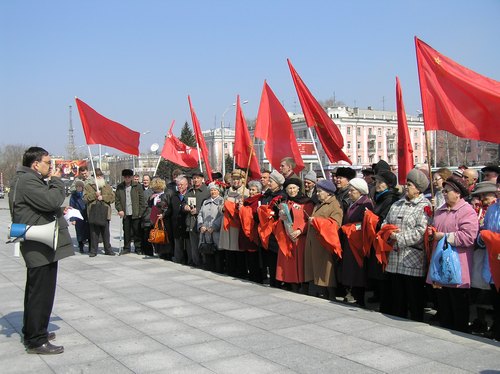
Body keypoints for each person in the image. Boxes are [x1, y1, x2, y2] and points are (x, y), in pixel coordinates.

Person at [9, 146, 74, 354]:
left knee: (37, 291)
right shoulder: (28, 180)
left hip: (40, 243)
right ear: (35, 164)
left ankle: (35, 330)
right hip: (39, 245)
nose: (51, 167)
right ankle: (36, 340)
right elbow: (50, 200)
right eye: (48, 162)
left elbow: (42, 205)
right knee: (40, 293)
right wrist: (56, 182)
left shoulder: (26, 179)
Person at [427, 176, 479, 333]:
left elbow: (469, 237)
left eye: (447, 191)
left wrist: (443, 236)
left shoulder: (467, 211)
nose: (444, 193)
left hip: (458, 266)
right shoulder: (441, 211)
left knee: (459, 307)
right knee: (444, 305)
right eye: (443, 190)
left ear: (457, 193)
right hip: (440, 265)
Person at [383, 169, 432, 322]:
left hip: (412, 259)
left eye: (409, 185)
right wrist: (387, 232)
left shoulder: (424, 206)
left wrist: (398, 237)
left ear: (418, 189)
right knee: (397, 298)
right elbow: (386, 222)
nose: (406, 187)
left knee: (414, 297)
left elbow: (420, 231)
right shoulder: (397, 203)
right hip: (395, 258)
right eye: (406, 184)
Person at [366, 170, 400, 311]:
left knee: (384, 276)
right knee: (379, 276)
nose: (377, 184)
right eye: (376, 182)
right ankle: (382, 301)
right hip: (377, 241)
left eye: (380, 182)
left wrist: (371, 219)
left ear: (389, 185)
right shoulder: (381, 197)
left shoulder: (390, 199)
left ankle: (387, 305)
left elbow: (385, 220)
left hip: (385, 243)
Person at [303, 179, 343, 299]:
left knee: (326, 271)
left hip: (325, 244)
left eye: (320, 191)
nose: (317, 194)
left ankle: (330, 295)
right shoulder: (319, 203)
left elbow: (335, 224)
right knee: (318, 270)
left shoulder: (335, 205)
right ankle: (321, 292)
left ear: (329, 193)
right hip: (315, 243)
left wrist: (316, 221)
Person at [339, 178, 373, 307]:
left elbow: (366, 224)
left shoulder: (366, 204)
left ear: (360, 191)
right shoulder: (354, 203)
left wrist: (351, 228)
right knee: (351, 270)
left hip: (358, 242)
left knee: (359, 271)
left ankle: (360, 298)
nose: (349, 193)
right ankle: (353, 293)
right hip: (350, 241)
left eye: (352, 191)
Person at [276, 178, 314, 292]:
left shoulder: (306, 202)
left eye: (293, 188)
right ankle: (292, 285)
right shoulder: (285, 203)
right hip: (288, 237)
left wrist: (300, 230)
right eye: (289, 189)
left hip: (300, 238)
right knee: (290, 265)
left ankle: (304, 286)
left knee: (302, 264)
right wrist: (281, 218)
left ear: (298, 189)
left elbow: (310, 220)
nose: (292, 191)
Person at [219, 169, 249, 278]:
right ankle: (231, 270)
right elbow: (221, 204)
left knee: (238, 249)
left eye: (238, 179)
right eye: (234, 179)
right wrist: (222, 208)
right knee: (229, 249)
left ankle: (241, 272)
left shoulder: (246, 192)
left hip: (237, 224)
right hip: (227, 224)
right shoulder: (227, 191)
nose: (235, 181)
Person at [84, 168, 115, 257]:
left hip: (105, 212)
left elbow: (112, 198)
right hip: (93, 211)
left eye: (101, 176)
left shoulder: (107, 186)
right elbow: (85, 198)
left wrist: (103, 197)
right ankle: (93, 251)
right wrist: (95, 195)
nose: (99, 177)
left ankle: (108, 249)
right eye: (97, 176)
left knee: (106, 233)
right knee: (94, 233)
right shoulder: (88, 186)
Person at [115, 169, 145, 255]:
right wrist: (120, 209)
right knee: (126, 231)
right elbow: (117, 200)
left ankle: (138, 248)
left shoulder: (137, 186)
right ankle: (126, 247)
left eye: (129, 177)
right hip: (125, 213)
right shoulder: (120, 187)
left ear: (131, 177)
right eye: (125, 177)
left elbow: (142, 200)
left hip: (136, 213)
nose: (127, 179)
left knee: (137, 231)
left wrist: (140, 212)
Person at [239, 180, 264, 283]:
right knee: (248, 256)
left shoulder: (259, 200)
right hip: (245, 232)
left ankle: (257, 277)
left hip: (253, 231)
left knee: (255, 257)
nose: (251, 192)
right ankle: (251, 275)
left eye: (254, 190)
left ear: (258, 191)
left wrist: (243, 210)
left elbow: (254, 214)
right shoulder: (246, 200)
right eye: (250, 189)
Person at [184, 170, 210, 267]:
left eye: (197, 178)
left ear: (202, 179)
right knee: (194, 246)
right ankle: (196, 263)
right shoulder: (190, 191)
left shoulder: (207, 191)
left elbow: (209, 206)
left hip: (202, 222)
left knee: (203, 244)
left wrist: (198, 210)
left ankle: (205, 264)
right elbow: (183, 203)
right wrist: (185, 207)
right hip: (191, 222)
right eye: (194, 178)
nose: (195, 180)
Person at [198, 182, 224, 273]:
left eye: (215, 190)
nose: (213, 192)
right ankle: (209, 268)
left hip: (216, 232)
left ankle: (219, 270)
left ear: (219, 191)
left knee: (217, 252)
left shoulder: (222, 201)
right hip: (206, 232)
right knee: (207, 251)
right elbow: (200, 214)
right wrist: (201, 225)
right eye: (211, 190)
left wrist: (214, 226)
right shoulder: (206, 201)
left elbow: (222, 216)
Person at [168, 175, 190, 264]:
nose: (179, 186)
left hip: (187, 224)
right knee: (178, 245)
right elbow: (170, 209)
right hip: (176, 224)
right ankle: (178, 260)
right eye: (178, 185)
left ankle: (189, 260)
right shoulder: (174, 196)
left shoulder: (190, 194)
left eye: (181, 184)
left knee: (188, 245)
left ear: (186, 185)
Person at [148, 177, 171, 259]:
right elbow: (150, 205)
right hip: (154, 218)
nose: (155, 190)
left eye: (157, 188)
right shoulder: (154, 195)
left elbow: (166, 206)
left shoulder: (165, 195)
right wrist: (150, 199)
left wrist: (163, 214)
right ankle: (159, 251)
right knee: (156, 234)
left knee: (163, 235)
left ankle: (165, 253)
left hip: (162, 217)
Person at [69, 180, 89, 253]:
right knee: (79, 232)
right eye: (77, 186)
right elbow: (72, 206)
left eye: (80, 186)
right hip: (78, 215)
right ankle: (81, 247)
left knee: (88, 231)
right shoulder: (74, 196)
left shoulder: (86, 194)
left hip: (86, 215)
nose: (78, 188)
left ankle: (90, 246)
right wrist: (73, 219)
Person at [141, 174, 154, 256]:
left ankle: (149, 251)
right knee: (143, 235)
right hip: (142, 215)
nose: (145, 181)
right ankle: (142, 249)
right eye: (144, 180)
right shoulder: (140, 189)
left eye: (147, 180)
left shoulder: (153, 191)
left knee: (149, 235)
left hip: (150, 216)